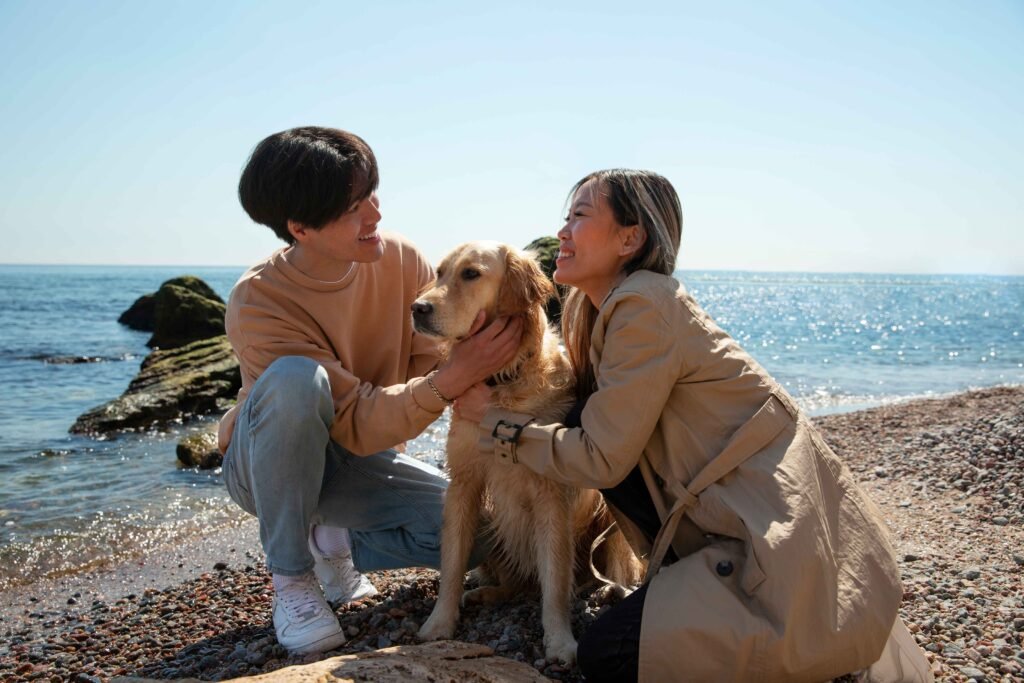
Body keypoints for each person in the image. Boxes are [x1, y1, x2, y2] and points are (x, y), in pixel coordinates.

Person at [456, 169, 933, 682]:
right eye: (565, 217)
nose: (564, 232)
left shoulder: (644, 306)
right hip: (740, 526)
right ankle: (687, 590)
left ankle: (767, 632)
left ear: (630, 238)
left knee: (609, 655)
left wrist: (495, 421)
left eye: (580, 216)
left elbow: (600, 458)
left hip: (769, 547)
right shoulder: (601, 311)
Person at [218, 126, 522, 655]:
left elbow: (435, 363)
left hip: (360, 462)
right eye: (354, 206)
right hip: (267, 470)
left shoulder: (402, 261)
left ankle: (331, 540)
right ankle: (291, 580)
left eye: (372, 194)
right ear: (300, 228)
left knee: (478, 538)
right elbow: (366, 412)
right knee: (295, 379)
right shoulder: (258, 300)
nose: (375, 214)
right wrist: (453, 379)